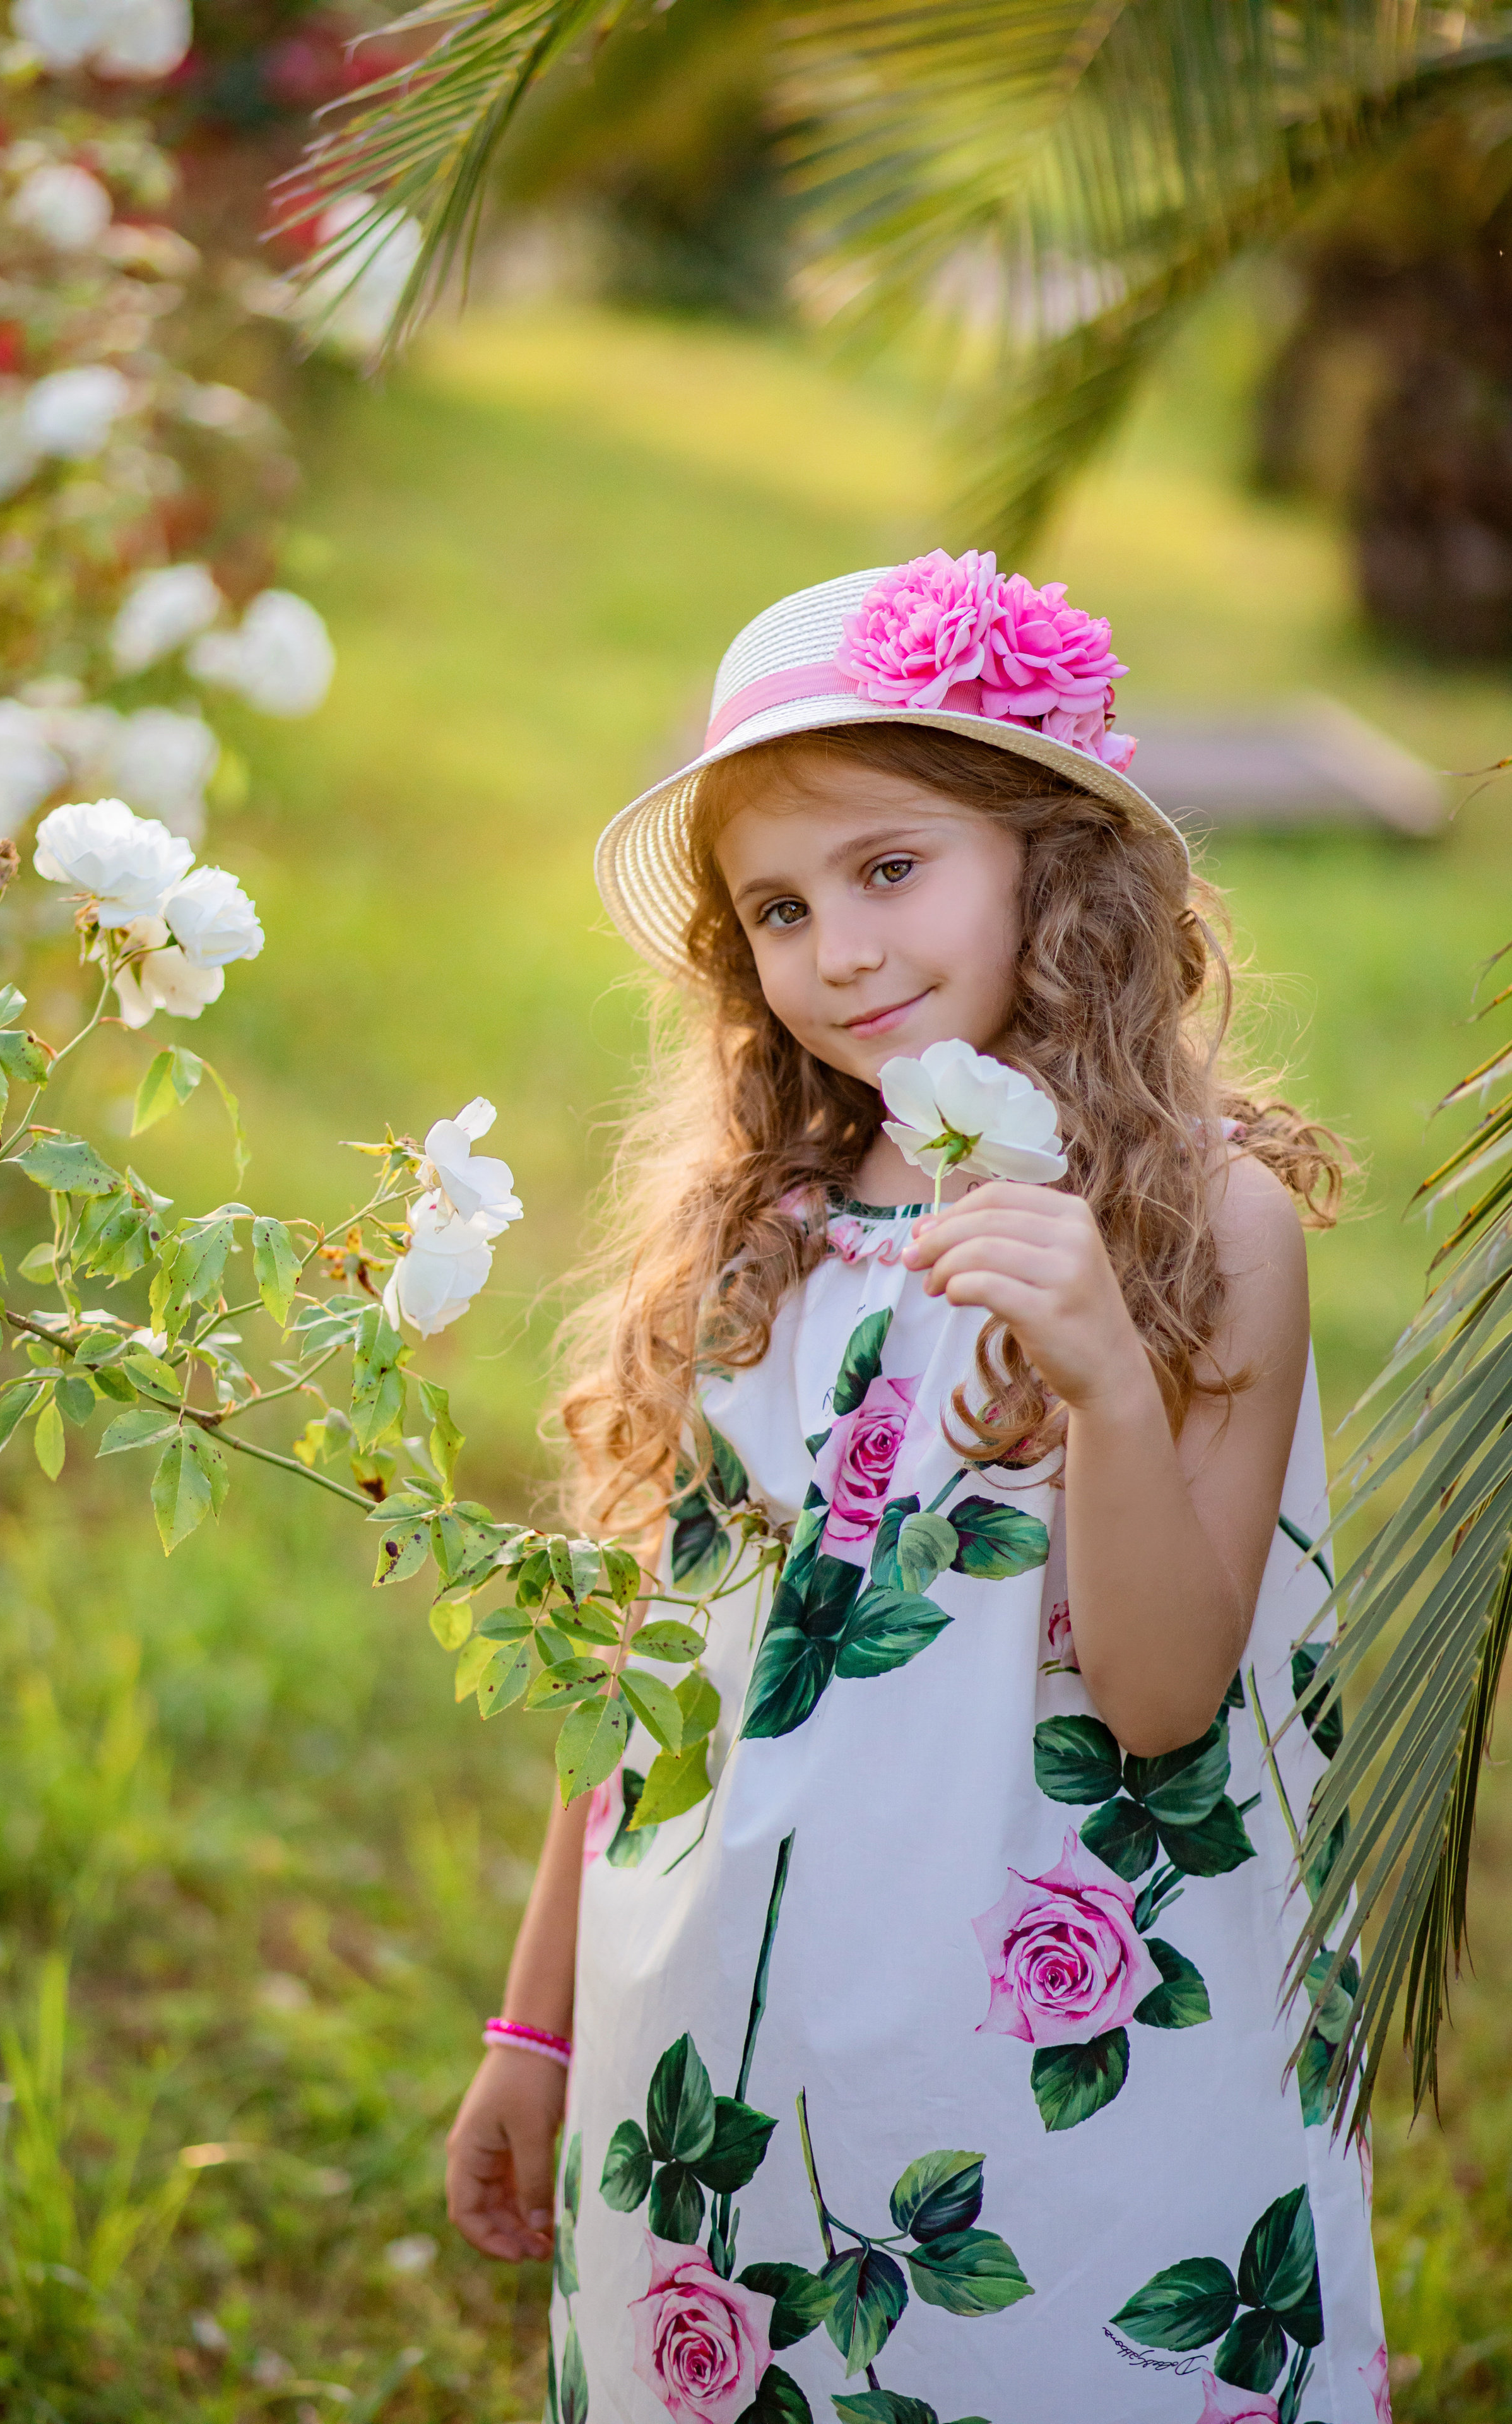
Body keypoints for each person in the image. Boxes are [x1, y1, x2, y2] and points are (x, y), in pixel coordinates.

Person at [444, 556, 1389, 2423]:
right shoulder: (760, 1242)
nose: (844, 953)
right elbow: (652, 1666)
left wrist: (1109, 1376)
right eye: (780, 910)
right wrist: (538, 2016)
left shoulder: (1212, 1226)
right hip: (722, 2008)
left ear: (1054, 859)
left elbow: (1160, 1697)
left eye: (893, 868)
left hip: (1040, 2048)